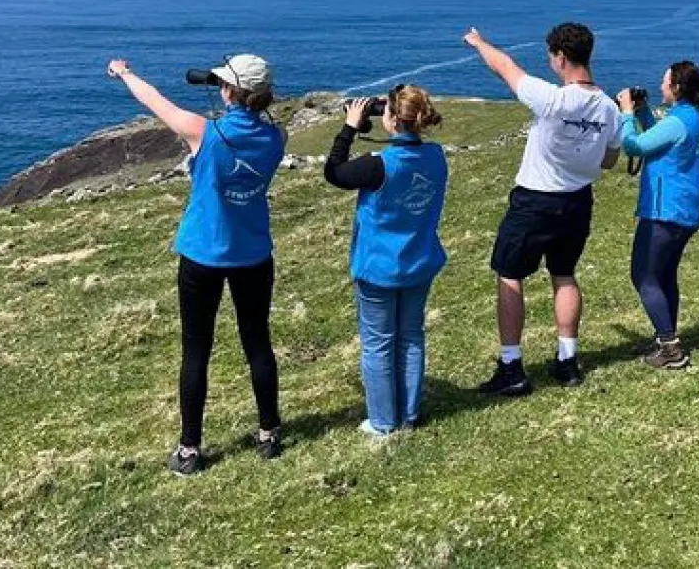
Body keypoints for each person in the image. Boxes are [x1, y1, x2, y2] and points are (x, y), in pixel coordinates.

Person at [106, 54, 285, 475]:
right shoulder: (278, 137)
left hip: (203, 254)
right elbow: (253, 117)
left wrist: (125, 73)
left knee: (196, 349)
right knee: (257, 341)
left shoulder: (204, 133)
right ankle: (269, 432)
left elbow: (155, 102)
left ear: (228, 91)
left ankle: (190, 450)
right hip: (254, 253)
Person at [464, 22, 622, 395]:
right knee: (564, 274)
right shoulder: (610, 108)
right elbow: (610, 161)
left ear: (561, 57)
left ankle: (512, 366)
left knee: (510, 275)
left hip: (535, 199)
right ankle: (567, 362)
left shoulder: (552, 99)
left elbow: (504, 66)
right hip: (578, 200)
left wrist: (478, 42)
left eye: (551, 56)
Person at [324, 84, 449, 435]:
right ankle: (408, 413)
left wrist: (350, 127)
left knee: (378, 343)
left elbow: (333, 172)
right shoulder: (436, 156)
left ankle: (382, 422)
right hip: (419, 260)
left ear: (391, 119)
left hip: (379, 265)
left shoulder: (377, 166)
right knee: (411, 336)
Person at [616, 61, 699, 369]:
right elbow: (662, 137)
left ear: (677, 88)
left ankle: (670, 347)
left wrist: (627, 115)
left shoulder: (677, 122)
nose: (659, 87)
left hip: (664, 210)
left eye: (664, 82)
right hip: (687, 210)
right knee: (664, 274)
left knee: (643, 275)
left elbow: (634, 146)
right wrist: (643, 113)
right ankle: (667, 335)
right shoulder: (694, 119)